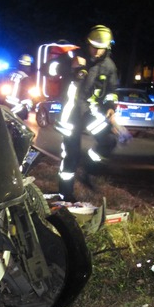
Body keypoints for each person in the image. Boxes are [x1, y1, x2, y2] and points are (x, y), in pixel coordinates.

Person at [56, 24, 122, 201]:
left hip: (90, 113)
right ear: (88, 44)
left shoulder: (109, 66)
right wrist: (72, 67)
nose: (97, 52)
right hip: (70, 115)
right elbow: (56, 70)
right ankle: (65, 195)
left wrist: (110, 106)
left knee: (108, 141)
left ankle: (88, 170)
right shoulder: (75, 57)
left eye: (101, 48)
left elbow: (112, 89)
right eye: (94, 47)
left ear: (107, 47)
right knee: (71, 155)